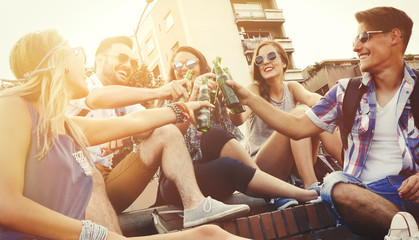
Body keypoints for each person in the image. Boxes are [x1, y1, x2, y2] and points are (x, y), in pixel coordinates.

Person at [0, 29, 252, 240]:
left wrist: (183, 108)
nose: (82, 62)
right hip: (87, 234)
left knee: (209, 234)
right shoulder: (12, 106)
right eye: (77, 53)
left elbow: (137, 121)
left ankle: (197, 207)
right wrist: (96, 234)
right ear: (58, 62)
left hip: (96, 232)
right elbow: (6, 205)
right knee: (94, 175)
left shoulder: (67, 125)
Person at [227, 7, 419, 239]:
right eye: (259, 59)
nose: (355, 47)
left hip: (416, 187)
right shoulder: (344, 91)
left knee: (310, 117)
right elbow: (297, 127)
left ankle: (406, 231)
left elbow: (312, 103)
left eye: (364, 37)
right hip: (363, 191)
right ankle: (408, 230)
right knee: (335, 183)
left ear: (394, 36)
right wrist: (248, 98)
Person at [66, 36, 250, 230]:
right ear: (100, 59)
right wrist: (159, 92)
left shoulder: (128, 103)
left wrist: (188, 107)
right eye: (121, 57)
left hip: (107, 182)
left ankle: (195, 205)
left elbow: (162, 130)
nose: (128, 65)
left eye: (131, 61)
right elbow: (98, 98)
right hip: (75, 183)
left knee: (166, 131)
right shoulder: (82, 87)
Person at [157, 46, 318, 209]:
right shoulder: (169, 99)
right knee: (212, 135)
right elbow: (170, 137)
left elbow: (230, 135)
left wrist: (229, 99)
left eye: (190, 63)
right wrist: (192, 96)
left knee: (215, 137)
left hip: (216, 172)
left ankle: (281, 191)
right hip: (182, 177)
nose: (184, 68)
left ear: (202, 68)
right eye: (177, 66)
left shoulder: (213, 95)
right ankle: (275, 194)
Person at [228, 40, 342, 193]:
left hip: (294, 166)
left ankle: (351, 169)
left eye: (271, 56)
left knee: (317, 115)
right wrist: (232, 105)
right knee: (298, 115)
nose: (266, 62)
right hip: (266, 168)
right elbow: (238, 119)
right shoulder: (253, 91)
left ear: (283, 61)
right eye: (259, 60)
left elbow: (313, 99)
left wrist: (341, 104)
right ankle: (311, 184)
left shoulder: (292, 87)